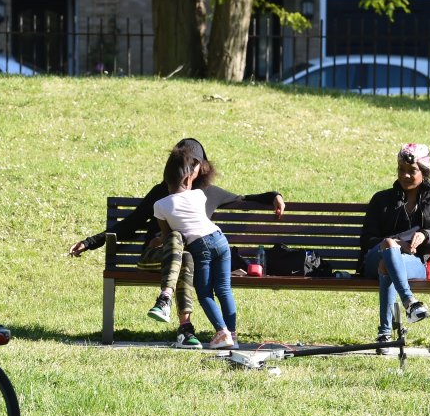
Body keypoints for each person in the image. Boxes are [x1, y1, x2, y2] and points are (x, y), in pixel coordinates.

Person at [69, 138, 285, 349]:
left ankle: (201, 328)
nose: (188, 167)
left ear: (201, 167)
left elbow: (243, 198)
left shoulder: (207, 193)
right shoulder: (161, 193)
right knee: (183, 251)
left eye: (193, 163)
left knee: (189, 259)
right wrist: (90, 242)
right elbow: (131, 223)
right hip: (161, 255)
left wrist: (274, 196)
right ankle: (186, 324)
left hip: (197, 258)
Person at [358, 143, 430, 354]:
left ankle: (384, 335)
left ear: (424, 172)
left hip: (414, 262)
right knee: (388, 248)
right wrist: (394, 243)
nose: (405, 175)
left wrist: (426, 235)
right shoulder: (381, 199)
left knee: (388, 266)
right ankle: (410, 302)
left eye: (412, 171)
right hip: (374, 258)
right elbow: (367, 240)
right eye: (401, 169)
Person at [153, 149, 241, 350]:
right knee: (224, 290)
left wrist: (158, 242)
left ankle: (222, 332)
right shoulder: (199, 195)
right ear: (189, 177)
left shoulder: (160, 205)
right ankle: (233, 335)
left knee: (204, 293)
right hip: (220, 241)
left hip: (201, 248)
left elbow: (169, 237)